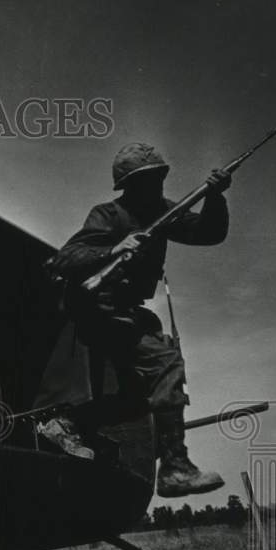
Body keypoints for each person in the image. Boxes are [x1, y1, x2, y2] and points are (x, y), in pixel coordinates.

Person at [48, 142, 232, 497]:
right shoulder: (109, 215)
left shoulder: (164, 212)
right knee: (166, 361)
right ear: (128, 186)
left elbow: (210, 233)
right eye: (146, 180)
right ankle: (176, 467)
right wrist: (113, 249)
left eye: (158, 178)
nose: (156, 187)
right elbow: (66, 258)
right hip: (97, 310)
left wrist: (215, 197)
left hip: (127, 314)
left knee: (137, 400)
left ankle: (68, 423)